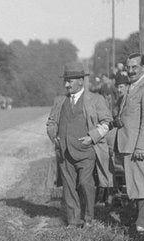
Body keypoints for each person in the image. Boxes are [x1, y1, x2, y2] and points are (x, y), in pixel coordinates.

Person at [46, 62, 113, 228]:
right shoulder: (59, 101)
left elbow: (107, 122)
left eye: (70, 81)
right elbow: (51, 122)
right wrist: (54, 136)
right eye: (65, 81)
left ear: (81, 81)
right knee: (69, 187)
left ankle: (88, 218)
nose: (66, 85)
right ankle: (73, 220)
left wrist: (92, 137)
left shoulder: (95, 100)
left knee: (85, 183)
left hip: (86, 151)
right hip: (64, 152)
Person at [116, 53, 144, 233]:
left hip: (140, 146)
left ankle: (142, 225)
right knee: (135, 184)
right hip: (129, 144)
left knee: (143, 184)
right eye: (128, 67)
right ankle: (139, 221)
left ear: (143, 68)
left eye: (134, 67)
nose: (130, 71)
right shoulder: (131, 86)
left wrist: (141, 146)